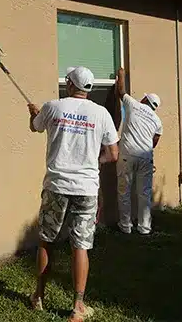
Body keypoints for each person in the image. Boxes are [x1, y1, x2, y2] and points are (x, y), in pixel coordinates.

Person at [27, 66, 119, 322]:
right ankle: (78, 307)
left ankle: (38, 297)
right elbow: (113, 154)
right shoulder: (101, 114)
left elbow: (35, 127)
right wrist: (93, 161)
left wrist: (34, 115)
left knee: (47, 240)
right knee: (81, 246)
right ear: (87, 88)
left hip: (56, 186)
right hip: (86, 189)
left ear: (69, 84)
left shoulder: (52, 107)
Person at [114, 67, 162, 235]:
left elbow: (121, 91)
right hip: (146, 158)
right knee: (144, 194)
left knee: (124, 191)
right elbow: (154, 141)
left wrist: (121, 74)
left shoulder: (133, 105)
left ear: (144, 99)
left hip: (127, 155)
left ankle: (125, 226)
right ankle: (144, 227)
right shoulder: (157, 121)